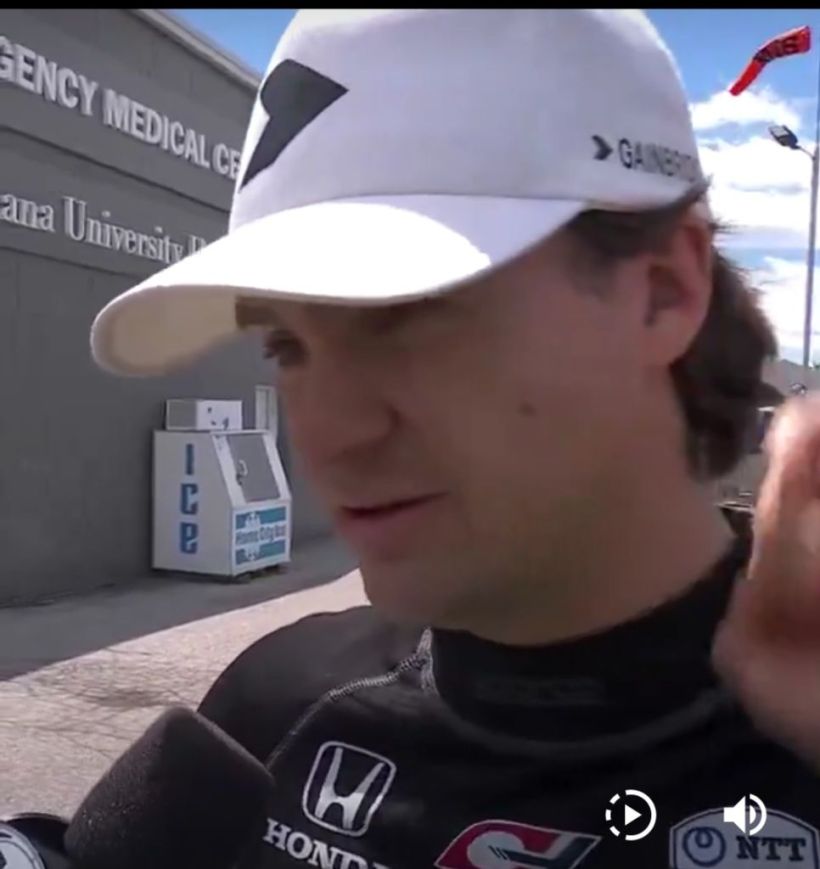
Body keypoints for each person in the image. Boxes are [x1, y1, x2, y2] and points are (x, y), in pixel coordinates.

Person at [89, 9, 820, 868]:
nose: (328, 433)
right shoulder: (275, 707)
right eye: (286, 345)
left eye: (408, 318)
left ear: (663, 291)